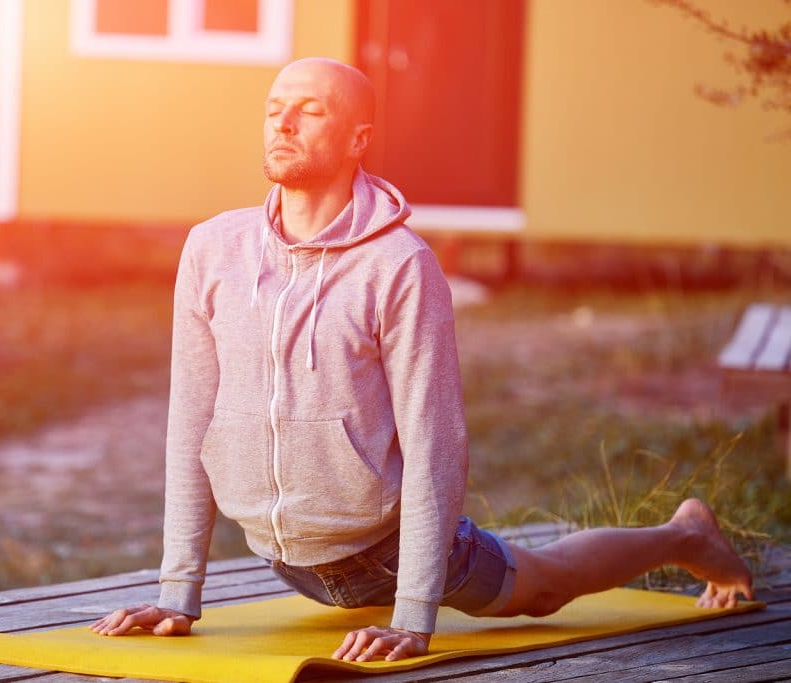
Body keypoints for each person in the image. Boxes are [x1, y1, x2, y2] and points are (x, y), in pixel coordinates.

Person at [90, 57, 754, 662]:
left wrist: (414, 613)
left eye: (310, 110)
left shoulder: (399, 265)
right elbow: (190, 422)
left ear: (357, 139)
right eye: (273, 108)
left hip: (385, 551)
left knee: (543, 587)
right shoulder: (213, 250)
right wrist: (178, 592)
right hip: (282, 556)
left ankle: (684, 534)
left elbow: (435, 440)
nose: (283, 123)